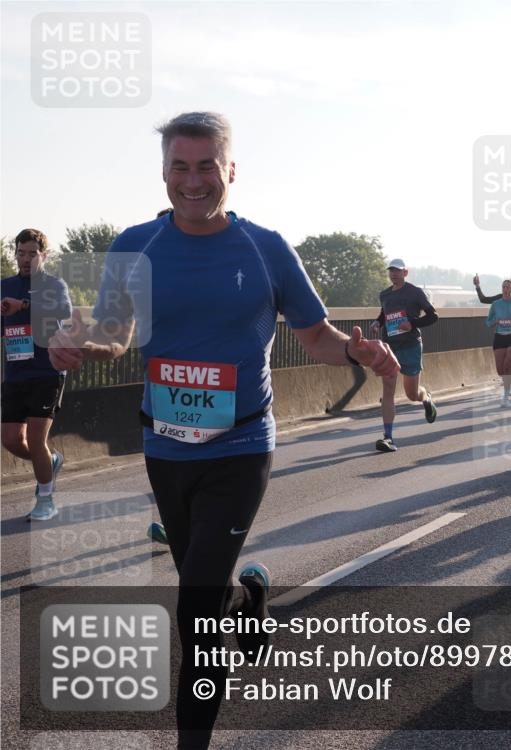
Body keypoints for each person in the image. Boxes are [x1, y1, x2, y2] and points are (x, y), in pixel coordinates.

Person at [48, 112, 399, 750]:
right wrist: (76, 342)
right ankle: (249, 598)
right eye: (180, 167)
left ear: (230, 170)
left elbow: (315, 336)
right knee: (203, 584)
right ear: (163, 173)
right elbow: (114, 335)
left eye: (207, 165)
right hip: (164, 446)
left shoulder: (265, 247)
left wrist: (359, 351)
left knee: (192, 612)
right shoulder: (135, 245)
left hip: (240, 446)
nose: (193, 180)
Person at [1, 228, 71, 521]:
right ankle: (50, 461)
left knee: (35, 436)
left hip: (47, 370)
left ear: (44, 255)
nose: (26, 259)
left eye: (32, 253)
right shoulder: (5, 285)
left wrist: (25, 305)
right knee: (10, 440)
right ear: (14, 253)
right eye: (21, 253)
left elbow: (65, 311)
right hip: (16, 373)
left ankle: (46, 500)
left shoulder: (54, 285)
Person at [370, 258, 438, 453]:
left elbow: (433, 316)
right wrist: (377, 323)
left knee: (412, 394)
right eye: (391, 271)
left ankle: (426, 398)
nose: (394, 274)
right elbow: (385, 313)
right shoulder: (384, 294)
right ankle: (388, 437)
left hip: (410, 346)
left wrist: (412, 324)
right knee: (388, 390)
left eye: (398, 271)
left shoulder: (415, 292)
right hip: (389, 347)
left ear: (405, 273)